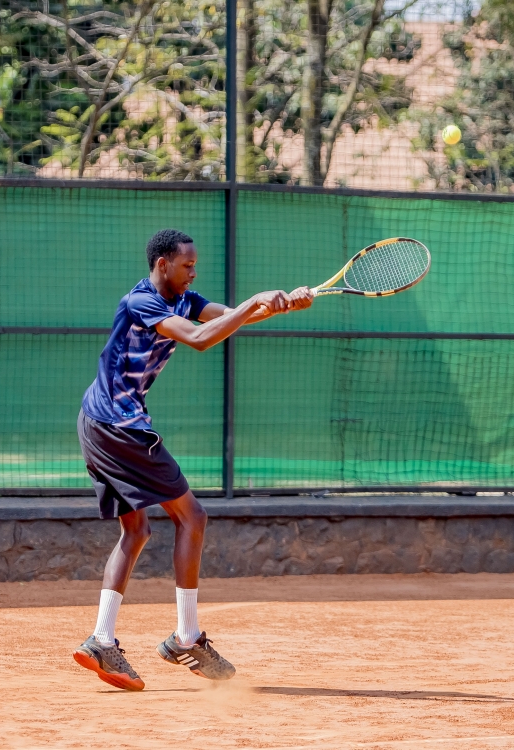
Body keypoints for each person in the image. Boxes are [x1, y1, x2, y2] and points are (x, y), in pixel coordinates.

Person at [73, 229, 313, 691]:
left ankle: (102, 639)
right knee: (193, 516)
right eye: (187, 265)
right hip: (119, 427)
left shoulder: (186, 298)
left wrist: (280, 304)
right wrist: (255, 301)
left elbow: (229, 320)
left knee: (137, 528)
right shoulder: (142, 302)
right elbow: (201, 339)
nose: (193, 271)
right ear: (163, 264)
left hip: (96, 423)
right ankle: (186, 638)